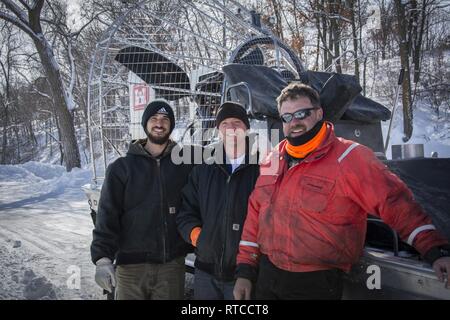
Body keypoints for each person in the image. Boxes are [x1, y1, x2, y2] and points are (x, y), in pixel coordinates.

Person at [233, 83, 450, 300]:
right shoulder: (273, 158)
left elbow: (395, 202)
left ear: (319, 113)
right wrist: (245, 269)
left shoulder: (350, 158)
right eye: (287, 117)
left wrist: (433, 249)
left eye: (301, 113)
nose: (294, 123)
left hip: (316, 283)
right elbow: (255, 216)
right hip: (268, 277)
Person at [91, 99, 198, 300]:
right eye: (154, 118)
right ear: (145, 124)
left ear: (171, 125)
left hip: (171, 267)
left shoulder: (185, 166)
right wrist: (102, 259)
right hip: (130, 268)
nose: (159, 123)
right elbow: (107, 216)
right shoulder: (121, 168)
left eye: (165, 119)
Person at [176, 102, 260, 300]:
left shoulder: (262, 168)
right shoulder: (204, 169)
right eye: (225, 124)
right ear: (218, 130)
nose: (231, 128)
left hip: (244, 274)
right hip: (206, 272)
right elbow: (186, 212)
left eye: (237, 123)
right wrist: (199, 237)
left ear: (246, 128)